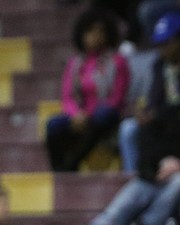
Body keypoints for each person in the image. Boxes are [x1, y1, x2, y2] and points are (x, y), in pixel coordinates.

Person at [51, 64, 180, 225]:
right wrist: (158, 165)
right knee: (124, 202)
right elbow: (148, 143)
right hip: (157, 174)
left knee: (179, 181)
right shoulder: (171, 112)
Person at [118, 10, 180, 173]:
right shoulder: (160, 65)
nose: (163, 49)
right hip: (161, 120)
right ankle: (133, 175)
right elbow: (154, 97)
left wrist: (157, 115)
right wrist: (146, 112)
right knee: (129, 128)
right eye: (159, 44)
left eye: (168, 43)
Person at [45, 8, 131, 172]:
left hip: (106, 117)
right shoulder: (75, 63)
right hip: (80, 116)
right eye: (91, 31)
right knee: (53, 125)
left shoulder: (117, 62)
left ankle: (73, 162)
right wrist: (76, 114)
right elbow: (68, 96)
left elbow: (117, 98)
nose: (95, 36)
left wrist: (89, 116)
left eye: (100, 31)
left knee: (103, 115)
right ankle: (59, 171)